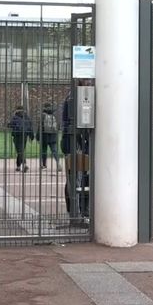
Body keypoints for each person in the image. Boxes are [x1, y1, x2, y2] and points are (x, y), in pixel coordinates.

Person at [61, 80, 91, 224]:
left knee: (76, 178)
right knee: (76, 179)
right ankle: (77, 214)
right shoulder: (76, 97)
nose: (90, 82)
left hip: (74, 141)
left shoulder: (73, 96)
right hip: (75, 142)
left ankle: (76, 211)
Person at [8, 105, 34, 172]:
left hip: (17, 135)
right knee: (21, 150)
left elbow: (10, 125)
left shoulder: (15, 117)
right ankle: (18, 166)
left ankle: (24, 164)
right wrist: (31, 136)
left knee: (19, 151)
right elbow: (30, 126)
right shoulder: (27, 117)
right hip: (24, 135)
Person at [39, 102, 62, 171]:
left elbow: (40, 127)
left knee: (43, 151)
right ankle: (58, 163)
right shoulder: (54, 115)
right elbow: (58, 126)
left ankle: (44, 165)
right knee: (54, 150)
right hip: (53, 135)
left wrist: (37, 136)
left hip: (44, 135)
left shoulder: (42, 115)